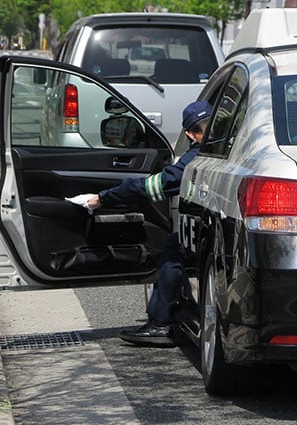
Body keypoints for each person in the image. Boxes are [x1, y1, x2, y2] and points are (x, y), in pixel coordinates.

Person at [83, 99, 212, 347]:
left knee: (175, 248)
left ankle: (160, 322)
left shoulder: (196, 159)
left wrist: (103, 198)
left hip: (214, 229)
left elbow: (156, 186)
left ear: (189, 134)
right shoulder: (238, 146)